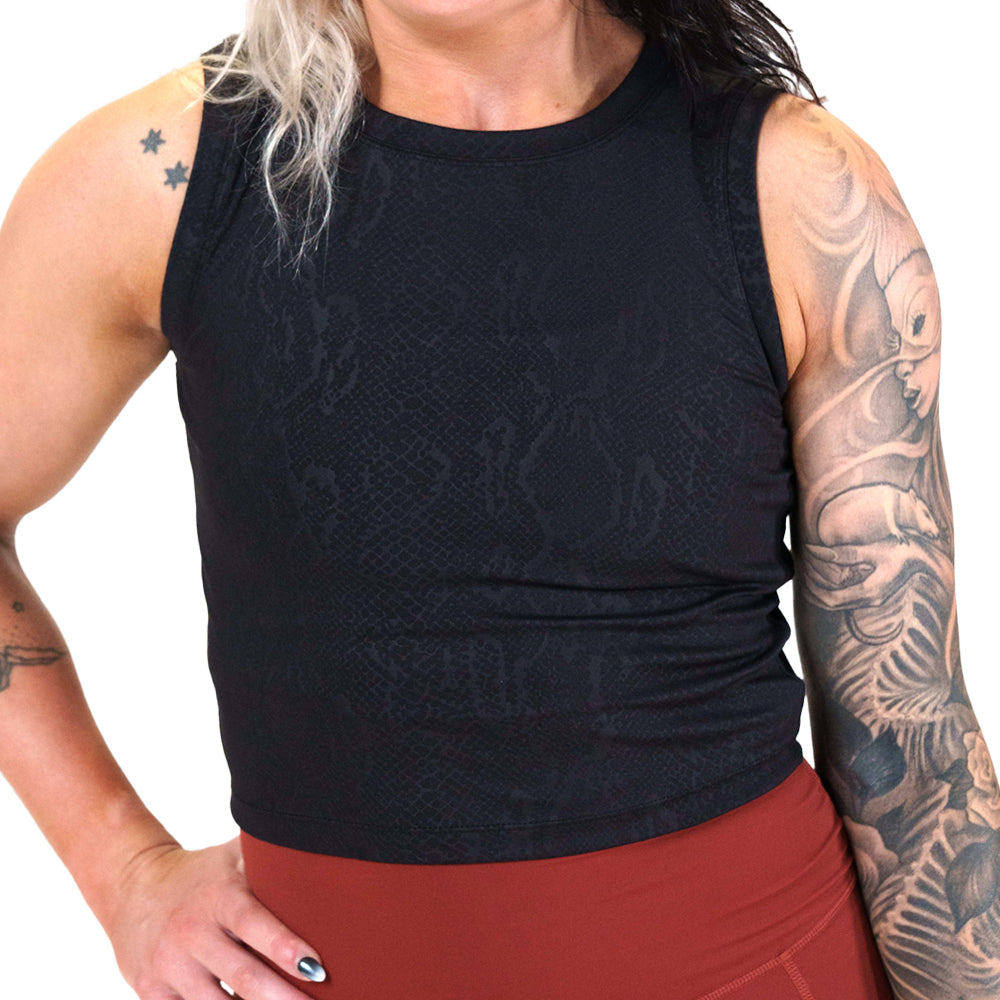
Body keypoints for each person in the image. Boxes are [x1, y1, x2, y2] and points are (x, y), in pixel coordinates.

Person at [0, 0, 997, 998]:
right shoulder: (169, 171)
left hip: (760, 969)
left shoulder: (799, 189)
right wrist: (124, 870)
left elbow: (909, 734)